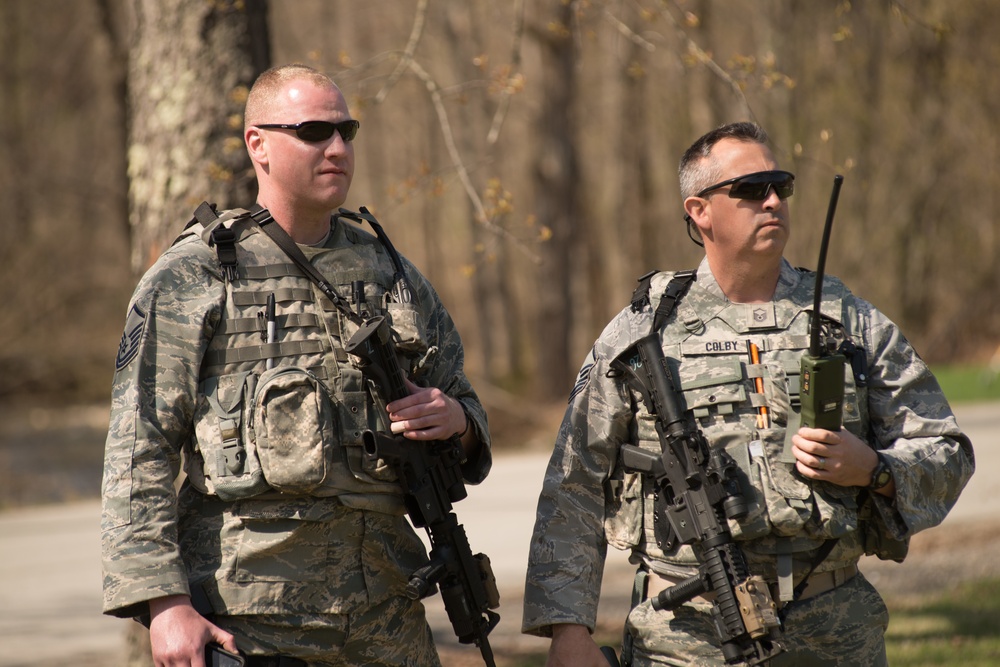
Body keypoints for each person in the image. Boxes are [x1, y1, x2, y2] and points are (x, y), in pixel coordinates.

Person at [521, 121, 974, 666]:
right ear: (699, 210)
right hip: (687, 637)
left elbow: (946, 452)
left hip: (835, 632)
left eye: (781, 185)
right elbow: (574, 483)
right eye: (752, 189)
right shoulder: (644, 330)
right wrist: (567, 630)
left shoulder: (848, 319)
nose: (774, 201)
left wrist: (874, 469)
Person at [101, 64, 491, 667]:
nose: (336, 147)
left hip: (386, 616)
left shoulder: (391, 272)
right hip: (250, 620)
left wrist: (456, 421)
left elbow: (464, 407)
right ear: (258, 144)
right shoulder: (195, 276)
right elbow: (138, 449)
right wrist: (164, 603)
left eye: (345, 130)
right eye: (313, 131)